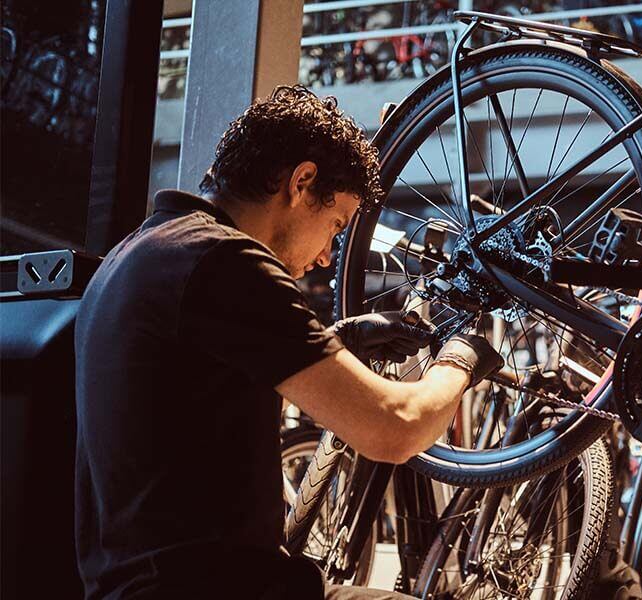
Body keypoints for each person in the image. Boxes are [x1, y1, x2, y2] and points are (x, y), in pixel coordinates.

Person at [74, 85, 503, 599]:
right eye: (335, 225)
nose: (326, 256)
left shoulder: (145, 252)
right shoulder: (225, 262)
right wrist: (461, 358)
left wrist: (338, 339)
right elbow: (397, 427)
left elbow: (200, 385)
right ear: (302, 182)